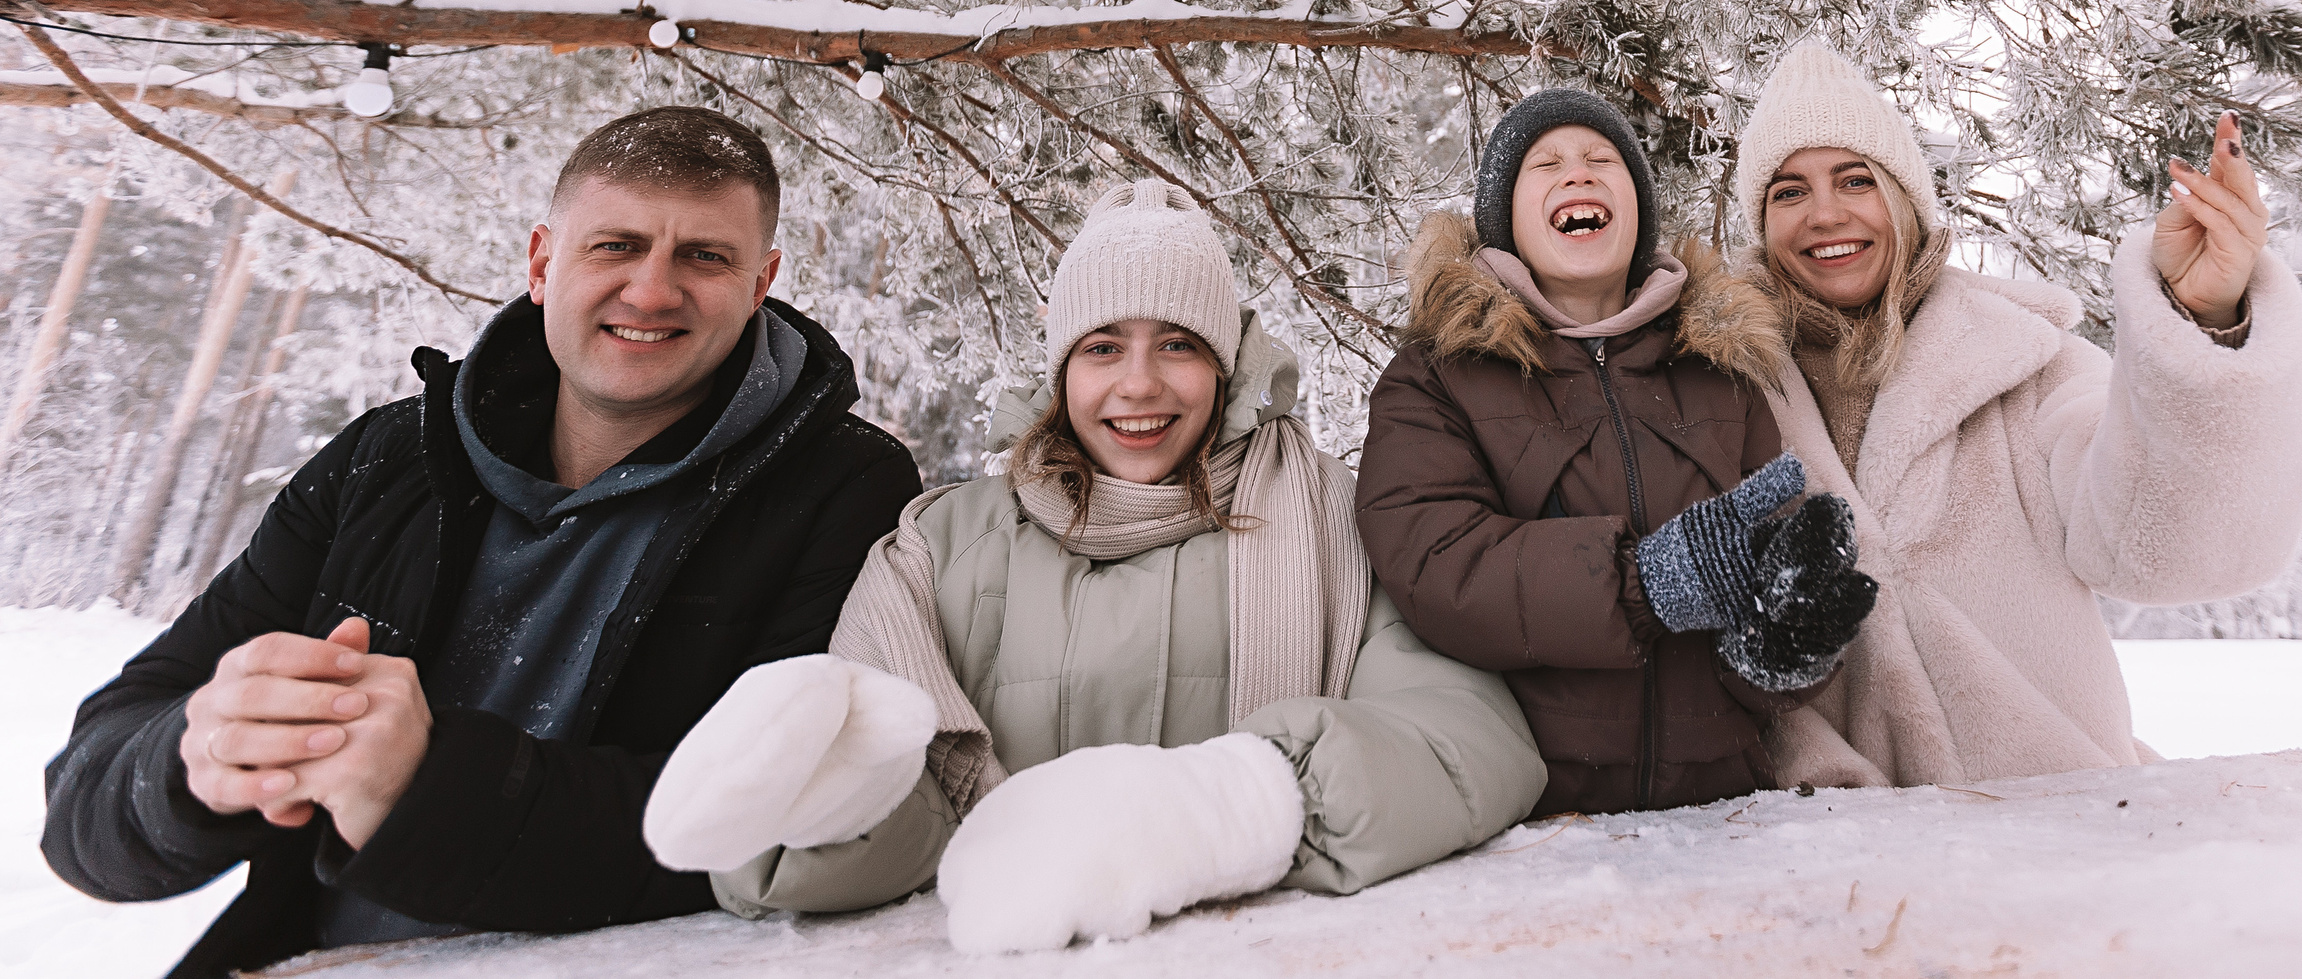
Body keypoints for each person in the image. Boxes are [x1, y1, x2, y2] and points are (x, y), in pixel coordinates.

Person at [42, 107, 922, 978]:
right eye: (615, 245)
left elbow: (774, 824)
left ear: (761, 280)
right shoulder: (387, 460)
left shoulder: (847, 491)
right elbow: (84, 800)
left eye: (705, 255)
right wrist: (192, 760)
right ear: (543, 261)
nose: (652, 290)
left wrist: (422, 788)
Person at [643, 180, 1545, 953]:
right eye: (1103, 345)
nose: (1140, 384)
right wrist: (820, 804)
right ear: (1061, 366)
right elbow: (912, 813)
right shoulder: (938, 548)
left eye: (1180, 344)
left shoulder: (1336, 520)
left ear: (1227, 365)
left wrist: (1224, 810)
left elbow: (1468, 739)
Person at [1728, 41, 2302, 787]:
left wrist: (2205, 322)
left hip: (2055, 829)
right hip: (1832, 861)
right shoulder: (1716, 390)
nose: (1825, 213)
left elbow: (2175, 549)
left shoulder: (2028, 364)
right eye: (1788, 192)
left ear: (1905, 198)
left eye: (1856, 179)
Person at [1358, 89, 1881, 817]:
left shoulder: (1719, 369)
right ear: (1504, 216)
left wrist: (1781, 652)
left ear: (1636, 213)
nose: (1580, 174)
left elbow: (1767, 561)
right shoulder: (1439, 372)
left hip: (1723, 816)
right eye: (1547, 164)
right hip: (1530, 816)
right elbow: (1435, 561)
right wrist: (1643, 582)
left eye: (1604, 161)